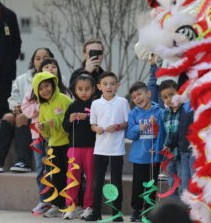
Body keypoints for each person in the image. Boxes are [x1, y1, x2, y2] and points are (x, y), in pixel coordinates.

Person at [0, 48, 53, 173]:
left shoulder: (57, 79)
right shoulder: (23, 78)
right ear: (33, 61)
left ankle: (24, 162)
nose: (41, 61)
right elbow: (13, 98)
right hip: (23, 113)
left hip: (41, 117)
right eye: (37, 58)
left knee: (21, 118)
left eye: (45, 58)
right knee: (8, 117)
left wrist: (26, 110)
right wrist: (16, 106)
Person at [85, 72, 130, 221]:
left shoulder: (123, 102)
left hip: (116, 149)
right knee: (97, 182)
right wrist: (96, 128)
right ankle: (95, 212)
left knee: (116, 182)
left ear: (117, 85)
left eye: (112, 83)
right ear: (99, 87)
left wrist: (117, 127)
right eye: (105, 84)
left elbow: (127, 122)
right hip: (100, 149)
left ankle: (116, 214)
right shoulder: (95, 103)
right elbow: (92, 124)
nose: (109, 87)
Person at [32, 71, 73, 217]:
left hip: (69, 144)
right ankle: (57, 205)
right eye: (41, 88)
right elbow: (47, 135)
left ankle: (74, 204)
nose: (45, 90)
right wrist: (43, 129)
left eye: (47, 86)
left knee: (72, 175)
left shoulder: (64, 100)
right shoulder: (42, 107)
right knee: (56, 177)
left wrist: (55, 122)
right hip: (54, 145)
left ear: (53, 85)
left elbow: (71, 122)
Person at [126, 81, 163, 222]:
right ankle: (137, 210)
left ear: (148, 94)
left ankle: (149, 211)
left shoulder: (159, 112)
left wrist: (158, 148)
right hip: (138, 157)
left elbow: (163, 133)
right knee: (138, 185)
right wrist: (138, 128)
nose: (137, 98)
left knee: (151, 185)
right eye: (134, 97)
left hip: (153, 157)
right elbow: (129, 134)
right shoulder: (133, 114)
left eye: (140, 94)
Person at [61, 74, 97, 220]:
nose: (83, 92)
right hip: (74, 148)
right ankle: (70, 206)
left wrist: (87, 118)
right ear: (75, 90)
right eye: (80, 89)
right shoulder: (72, 106)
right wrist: (69, 120)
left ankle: (89, 206)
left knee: (90, 178)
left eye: (87, 89)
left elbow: (99, 122)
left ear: (93, 89)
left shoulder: (96, 105)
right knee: (72, 177)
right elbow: (65, 127)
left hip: (92, 148)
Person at [161, 80, 195, 197]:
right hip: (178, 154)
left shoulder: (188, 109)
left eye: (171, 95)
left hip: (189, 153)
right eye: (165, 97)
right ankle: (178, 211)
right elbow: (177, 132)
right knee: (179, 184)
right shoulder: (172, 111)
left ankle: (189, 211)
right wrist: (169, 145)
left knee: (188, 185)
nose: (169, 99)